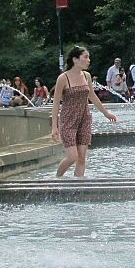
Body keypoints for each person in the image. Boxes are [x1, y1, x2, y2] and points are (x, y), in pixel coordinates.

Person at [51, 46, 117, 177]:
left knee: (81, 158)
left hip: (84, 119)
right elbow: (56, 103)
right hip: (68, 120)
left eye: (88, 57)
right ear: (75, 59)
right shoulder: (63, 78)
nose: (89, 60)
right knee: (72, 157)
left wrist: (106, 113)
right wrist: (54, 127)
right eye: (85, 57)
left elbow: (92, 96)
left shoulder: (87, 76)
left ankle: (78, 187)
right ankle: (57, 180)